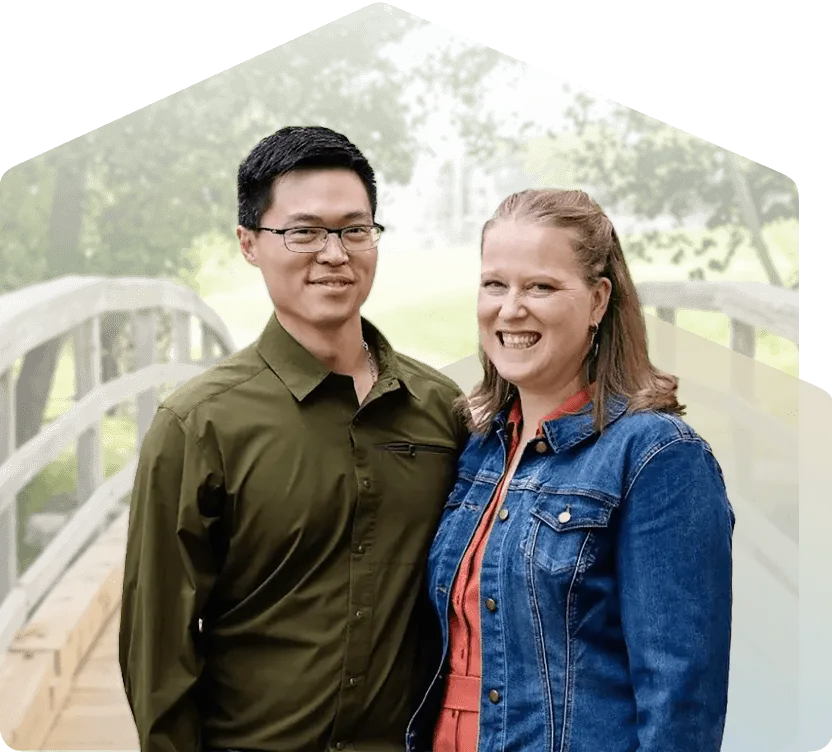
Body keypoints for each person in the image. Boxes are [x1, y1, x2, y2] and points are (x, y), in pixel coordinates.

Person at [118, 125, 470, 752]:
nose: (334, 254)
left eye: (355, 230)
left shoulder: (442, 410)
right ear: (250, 243)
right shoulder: (199, 425)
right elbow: (157, 652)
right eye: (303, 232)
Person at [406, 189, 735, 752]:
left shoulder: (657, 457)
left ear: (598, 300)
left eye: (541, 286)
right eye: (495, 284)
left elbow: (681, 703)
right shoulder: (478, 449)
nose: (511, 309)